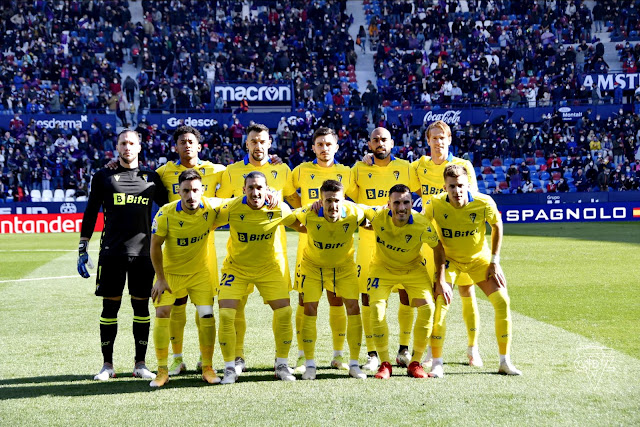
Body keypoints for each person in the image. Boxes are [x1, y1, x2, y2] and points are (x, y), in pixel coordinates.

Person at [77, 129, 168, 381]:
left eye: (132, 143)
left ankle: (140, 364)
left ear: (139, 147)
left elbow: (171, 206)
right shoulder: (104, 176)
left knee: (141, 308)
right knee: (110, 308)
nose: (127, 147)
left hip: (143, 254)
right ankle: (107, 365)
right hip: (112, 252)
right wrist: (83, 245)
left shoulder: (151, 177)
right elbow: (91, 211)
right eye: (123, 143)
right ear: (117, 147)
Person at [424, 164, 521, 377]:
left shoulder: (483, 202)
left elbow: (497, 225)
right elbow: (422, 225)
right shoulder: (436, 204)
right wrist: (438, 275)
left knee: (502, 301)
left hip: (479, 260)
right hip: (450, 261)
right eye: (452, 186)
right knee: (441, 306)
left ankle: (504, 361)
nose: (457, 191)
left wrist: (495, 261)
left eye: (460, 185)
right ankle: (437, 363)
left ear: (468, 184)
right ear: (444, 187)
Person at [216, 123, 294, 375]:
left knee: (282, 309)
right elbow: (220, 204)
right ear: (246, 144)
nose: (258, 146)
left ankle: (281, 361)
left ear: (269, 142)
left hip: (274, 254)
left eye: (262, 141)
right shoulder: (231, 172)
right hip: (239, 255)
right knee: (234, 308)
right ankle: (236, 358)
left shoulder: (282, 169)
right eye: (253, 141)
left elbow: (294, 202)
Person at [214, 171, 306, 384]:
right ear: (244, 190)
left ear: (267, 190)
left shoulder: (278, 208)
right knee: (227, 314)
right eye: (251, 188)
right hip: (236, 269)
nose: (255, 193)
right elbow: (207, 222)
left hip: (268, 269)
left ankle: (281, 364)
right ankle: (230, 367)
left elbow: (301, 226)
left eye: (259, 188)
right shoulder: (232, 208)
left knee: (284, 312)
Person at [411, 120, 483, 368]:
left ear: (449, 139)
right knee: (434, 293)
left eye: (443, 137)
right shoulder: (419, 166)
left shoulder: (463, 166)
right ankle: (433, 349)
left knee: (466, 292)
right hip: (431, 241)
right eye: (434, 138)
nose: (438, 142)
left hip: (459, 239)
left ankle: (473, 348)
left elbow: (471, 198)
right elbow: (393, 174)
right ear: (427, 141)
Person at [155, 126, 226, 376]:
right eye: (182, 142)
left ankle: (204, 359)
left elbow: (239, 192)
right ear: (176, 147)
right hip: (175, 248)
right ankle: (176, 358)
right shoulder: (162, 173)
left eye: (191, 141)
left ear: (199, 146)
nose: (186, 145)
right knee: (177, 305)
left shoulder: (218, 170)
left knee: (205, 306)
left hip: (204, 248)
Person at [350, 127, 420, 371]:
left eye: (384, 139)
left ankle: (403, 348)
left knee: (405, 293)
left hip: (401, 240)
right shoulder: (358, 169)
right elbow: (347, 199)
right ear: (369, 144)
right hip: (370, 240)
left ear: (392, 142)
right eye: (375, 140)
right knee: (368, 297)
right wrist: (361, 219)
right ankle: (372, 353)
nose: (380, 143)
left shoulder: (406, 167)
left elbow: (420, 192)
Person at [286, 127, 355, 373]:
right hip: (308, 247)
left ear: (336, 147)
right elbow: (290, 194)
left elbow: (355, 202)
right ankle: (303, 355)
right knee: (305, 301)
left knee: (336, 300)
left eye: (329, 144)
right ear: (313, 147)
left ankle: (338, 355)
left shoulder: (347, 172)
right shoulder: (301, 171)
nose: (324, 148)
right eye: (320, 144)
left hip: (338, 247)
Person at [366, 184, 446, 379]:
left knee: (428, 309)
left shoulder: (421, 223)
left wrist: (440, 279)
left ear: (412, 203)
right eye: (397, 203)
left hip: (413, 269)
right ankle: (385, 363)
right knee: (376, 310)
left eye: (406, 202)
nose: (401, 207)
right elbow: (352, 208)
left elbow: (438, 248)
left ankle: (415, 363)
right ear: (388, 204)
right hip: (382, 269)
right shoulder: (377, 216)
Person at [291, 179, 367, 380]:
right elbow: (290, 218)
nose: (333, 205)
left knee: (353, 307)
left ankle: (353, 363)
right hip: (313, 268)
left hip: (344, 268)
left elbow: (372, 215)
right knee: (309, 309)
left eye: (337, 200)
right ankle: (309, 364)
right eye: (328, 201)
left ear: (343, 200)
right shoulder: (308, 213)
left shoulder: (354, 212)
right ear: (320, 200)